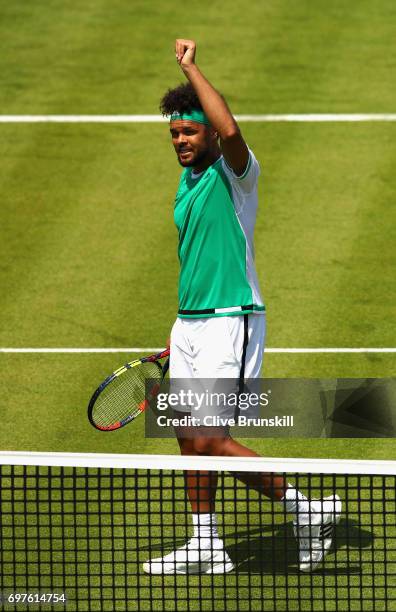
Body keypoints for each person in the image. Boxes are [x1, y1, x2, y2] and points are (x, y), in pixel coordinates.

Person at [143, 39, 341, 575]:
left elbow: (231, 132)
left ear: (208, 130)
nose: (181, 140)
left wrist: (190, 68)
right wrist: (180, 328)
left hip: (232, 321)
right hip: (190, 324)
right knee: (186, 432)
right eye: (175, 133)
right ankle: (205, 543)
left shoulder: (236, 176)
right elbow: (196, 260)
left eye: (190, 130)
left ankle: (309, 512)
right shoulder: (187, 182)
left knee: (212, 437)